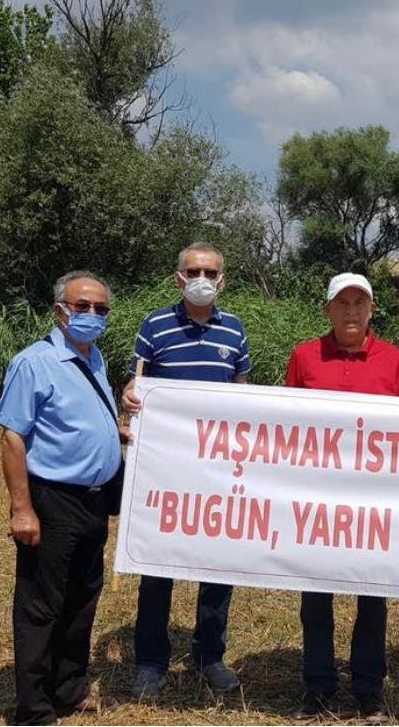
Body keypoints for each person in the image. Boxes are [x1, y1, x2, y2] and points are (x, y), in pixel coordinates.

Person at [0, 271, 123, 725]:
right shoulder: (34, 363)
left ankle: (69, 686)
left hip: (94, 501)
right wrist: (22, 509)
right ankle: (34, 707)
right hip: (52, 499)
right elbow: (13, 438)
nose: (91, 315)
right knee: (41, 604)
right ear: (59, 310)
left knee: (83, 596)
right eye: (81, 306)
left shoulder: (95, 358)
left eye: (100, 309)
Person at [122, 242, 250, 698]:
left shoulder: (235, 330)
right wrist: (128, 399)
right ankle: (150, 663)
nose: (202, 278)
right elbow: (136, 384)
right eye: (193, 271)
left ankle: (209, 655)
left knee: (217, 565)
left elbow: (243, 392)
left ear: (222, 280)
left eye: (210, 272)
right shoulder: (154, 325)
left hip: (218, 470)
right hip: (165, 469)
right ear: (179, 278)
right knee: (157, 566)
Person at [285, 272, 399, 722]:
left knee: (372, 598)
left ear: (372, 309)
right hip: (316, 498)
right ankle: (318, 687)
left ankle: (368, 689)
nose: (352, 310)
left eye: (360, 302)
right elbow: (285, 423)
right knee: (315, 598)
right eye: (342, 302)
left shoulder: (394, 359)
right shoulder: (304, 356)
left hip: (373, 501)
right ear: (328, 309)